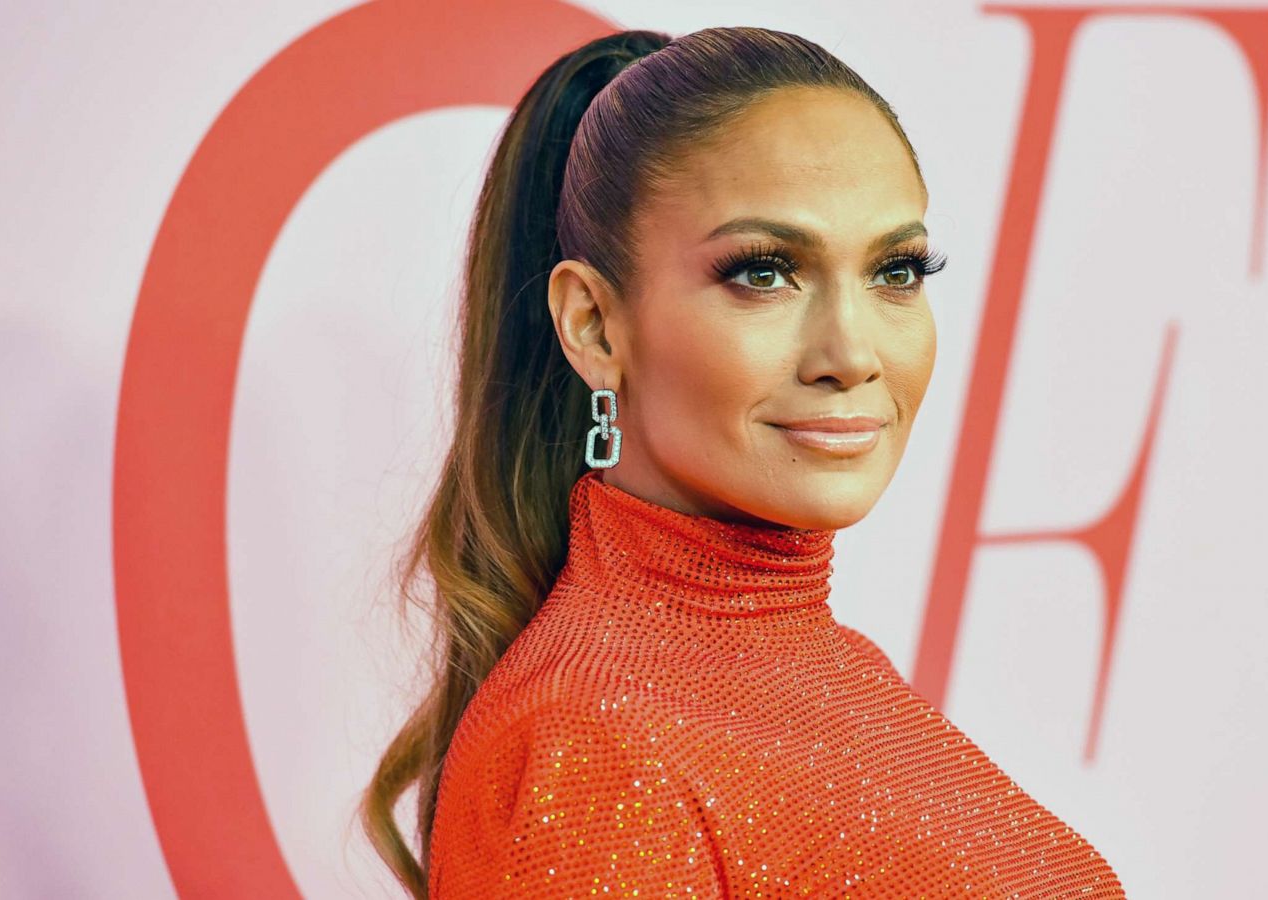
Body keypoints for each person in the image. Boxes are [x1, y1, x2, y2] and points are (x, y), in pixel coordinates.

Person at [360, 25, 1126, 899]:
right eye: (764, 273)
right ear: (595, 326)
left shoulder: (831, 673)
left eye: (897, 270)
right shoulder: (593, 751)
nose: (852, 352)